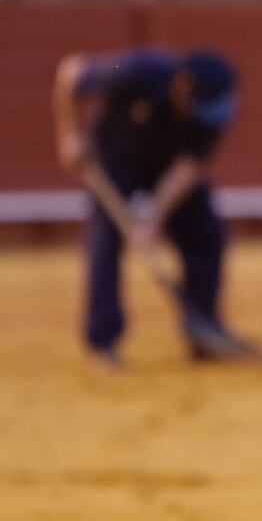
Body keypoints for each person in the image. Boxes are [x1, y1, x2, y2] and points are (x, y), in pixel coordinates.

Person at [53, 48, 245, 367]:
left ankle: (203, 326)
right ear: (181, 90)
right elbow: (70, 73)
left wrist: (153, 219)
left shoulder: (212, 112)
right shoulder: (139, 72)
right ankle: (104, 342)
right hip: (115, 162)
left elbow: (187, 168)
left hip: (166, 169)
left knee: (206, 231)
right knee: (105, 241)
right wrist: (69, 135)